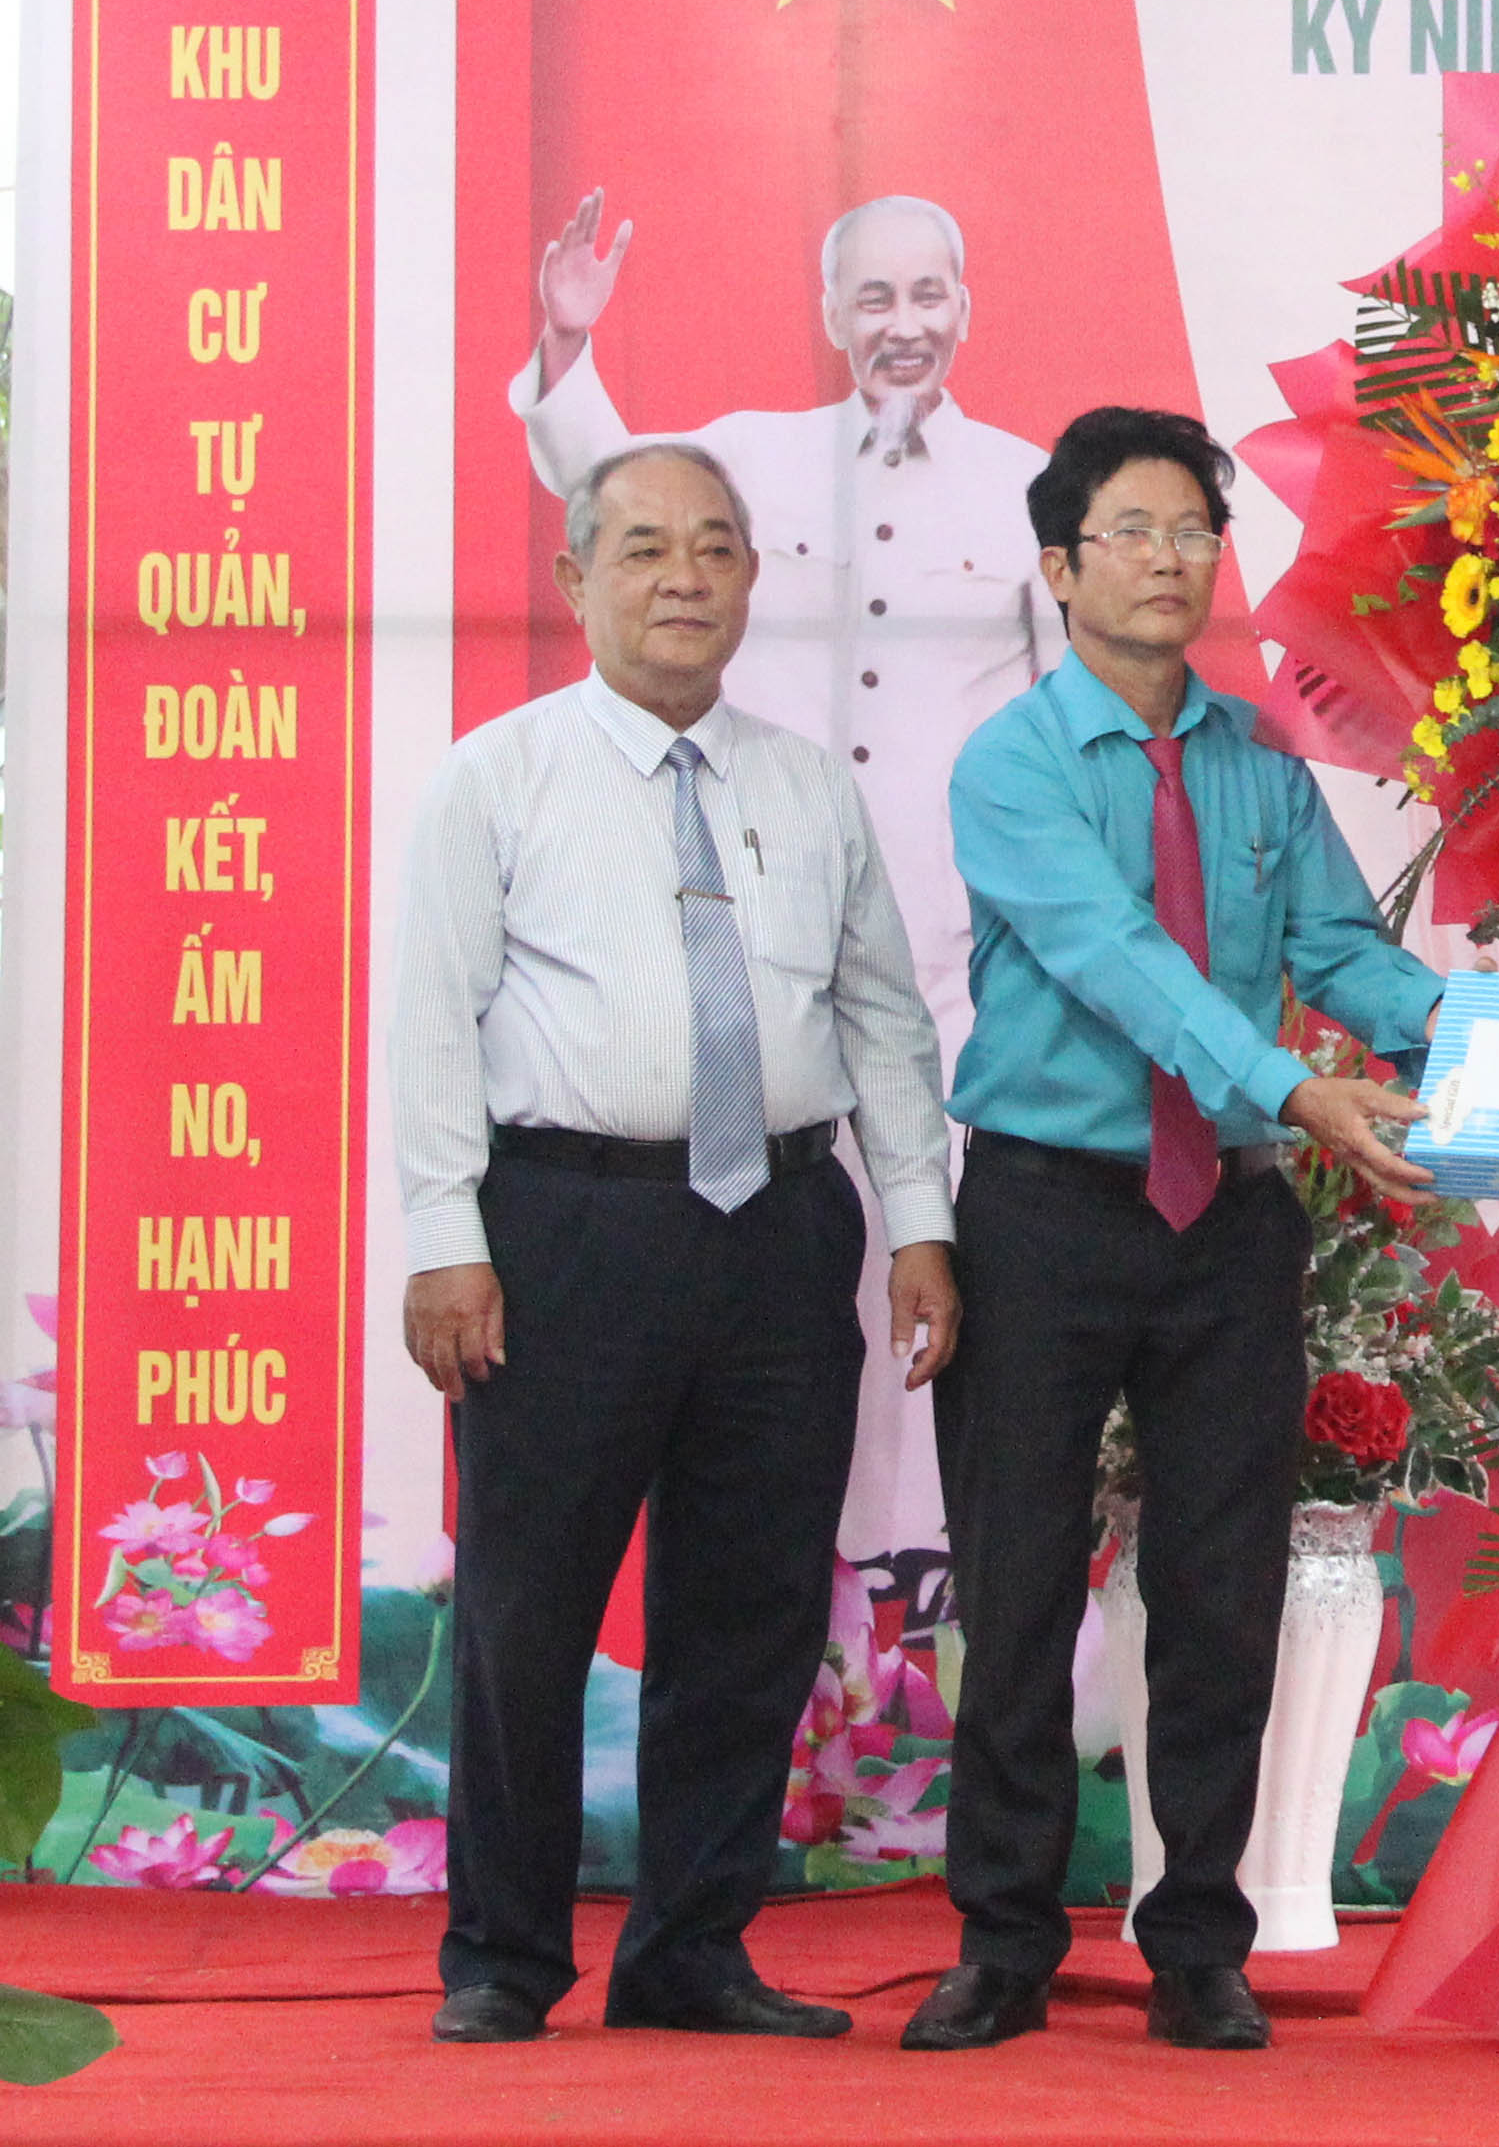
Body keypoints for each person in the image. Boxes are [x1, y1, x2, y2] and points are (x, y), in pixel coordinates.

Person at [391, 445, 961, 2043]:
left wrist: (916, 1220)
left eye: (715, 547)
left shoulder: (804, 781)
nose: (685, 577)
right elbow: (431, 1020)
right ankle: (502, 1954)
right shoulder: (491, 778)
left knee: (754, 1602)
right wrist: (446, 1238)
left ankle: (690, 1949)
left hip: (782, 1229)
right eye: (645, 548)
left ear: (751, 582)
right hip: (565, 1225)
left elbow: (881, 1021)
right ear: (577, 581)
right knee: (527, 1603)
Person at [900, 408, 1441, 2054]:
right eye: (1131, 531)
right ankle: (1000, 1935)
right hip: (1046, 1210)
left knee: (1223, 1581)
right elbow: (1113, 957)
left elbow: (1351, 955)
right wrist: (1298, 1082)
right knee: (1016, 1571)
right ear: (1061, 567)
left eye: (1195, 530)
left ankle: (1196, 1934)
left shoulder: (1262, 769)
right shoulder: (1007, 764)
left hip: (1233, 1221)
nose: (1170, 557)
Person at [512, 189, 1049, 1561]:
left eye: (928, 295)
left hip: (952, 958)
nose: (903, 325)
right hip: (758, 943)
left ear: (968, 305)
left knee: (938, 1267)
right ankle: (812, 1598)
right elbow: (615, 484)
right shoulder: (753, 458)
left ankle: (925, 1581)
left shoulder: (1029, 486)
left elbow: (1068, 717)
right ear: (831, 319)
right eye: (873, 300)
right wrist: (568, 344)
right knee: (799, 1273)